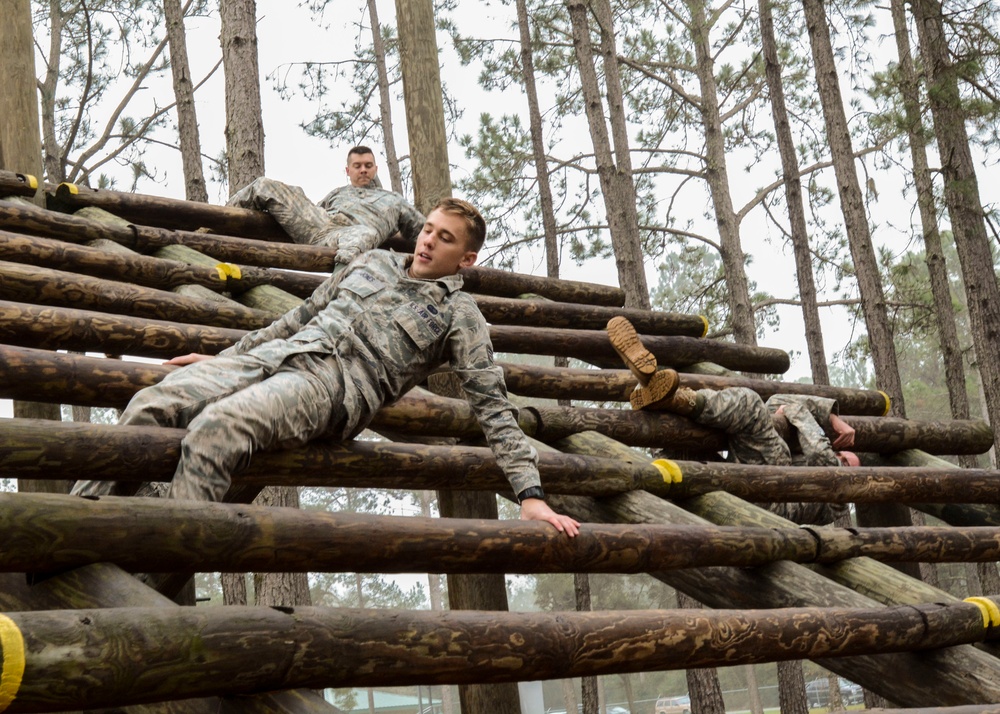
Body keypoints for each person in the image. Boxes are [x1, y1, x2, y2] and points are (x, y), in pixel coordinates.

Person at [72, 198, 580, 537]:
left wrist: (530, 494)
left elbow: (494, 407)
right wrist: (225, 360)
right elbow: (298, 317)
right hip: (273, 358)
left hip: (328, 389)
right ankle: (76, 530)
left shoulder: (460, 317)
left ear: (465, 259)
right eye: (426, 228)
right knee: (154, 399)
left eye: (444, 238)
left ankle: (157, 568)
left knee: (216, 429)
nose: (427, 240)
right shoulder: (371, 262)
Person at [607, 316, 857, 525]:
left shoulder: (838, 499)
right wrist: (831, 416)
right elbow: (777, 400)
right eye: (843, 455)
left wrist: (798, 413)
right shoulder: (809, 460)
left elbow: (821, 458)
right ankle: (654, 390)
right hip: (743, 485)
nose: (840, 458)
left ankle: (674, 398)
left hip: (767, 498)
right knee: (684, 448)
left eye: (846, 463)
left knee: (750, 405)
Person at [227, 146, 426, 266]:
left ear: (376, 168)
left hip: (351, 235)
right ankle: (214, 227)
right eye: (357, 166)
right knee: (264, 185)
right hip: (321, 225)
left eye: (368, 165)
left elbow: (424, 231)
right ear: (348, 170)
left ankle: (333, 297)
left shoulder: (395, 200)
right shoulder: (338, 193)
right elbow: (312, 210)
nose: (363, 170)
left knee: (365, 234)